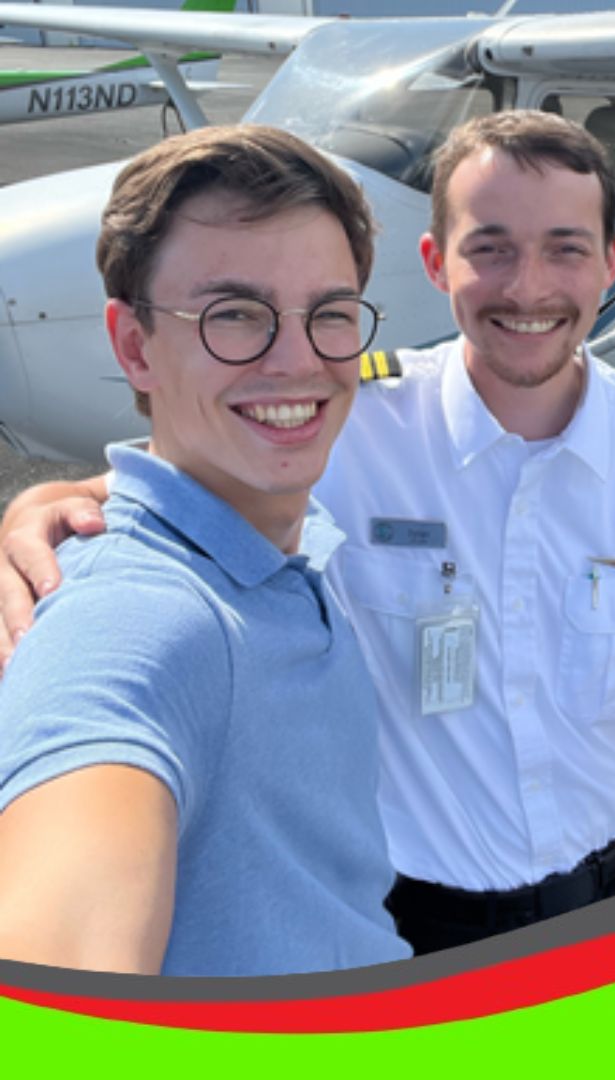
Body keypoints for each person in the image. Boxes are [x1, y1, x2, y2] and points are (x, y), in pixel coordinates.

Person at [0, 111, 615, 955]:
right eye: (490, 246)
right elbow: (197, 469)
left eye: (567, 248)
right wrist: (53, 504)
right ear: (436, 264)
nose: (528, 287)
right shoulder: (354, 416)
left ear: (610, 264)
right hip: (420, 919)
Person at [0, 125, 410, 975]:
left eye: (330, 314)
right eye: (234, 315)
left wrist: (52, 496)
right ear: (134, 346)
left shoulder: (277, 516)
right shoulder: (147, 621)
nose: (298, 360)